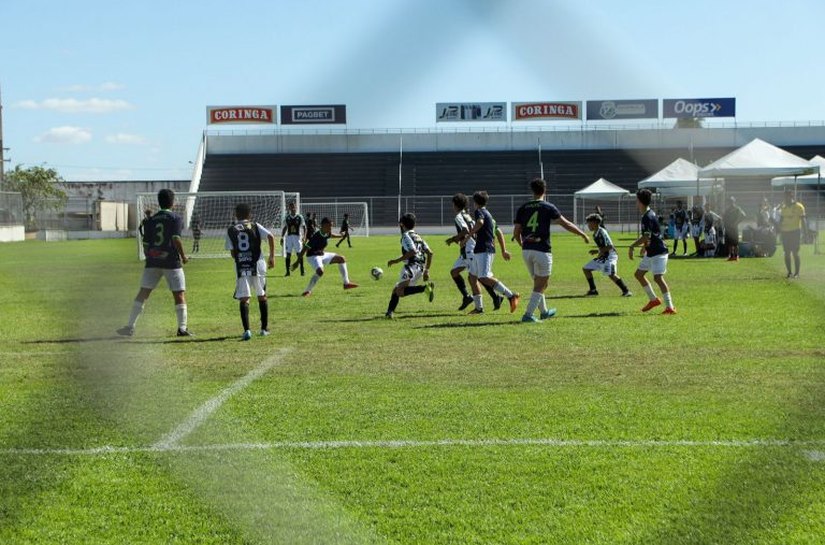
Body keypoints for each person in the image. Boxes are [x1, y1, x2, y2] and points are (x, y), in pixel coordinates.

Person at [513, 178, 590, 322]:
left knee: (539, 282)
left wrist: (523, 245)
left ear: (532, 191)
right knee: (541, 284)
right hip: (542, 250)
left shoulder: (523, 208)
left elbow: (516, 233)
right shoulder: (548, 207)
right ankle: (528, 315)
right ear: (544, 190)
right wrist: (582, 233)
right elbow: (565, 223)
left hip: (526, 250)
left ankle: (544, 312)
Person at [117, 189, 192, 337]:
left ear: (158, 202)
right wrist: (183, 256)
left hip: (153, 261)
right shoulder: (175, 218)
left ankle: (130, 326)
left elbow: (145, 244)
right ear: (173, 202)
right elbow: (176, 238)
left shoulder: (151, 220)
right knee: (179, 294)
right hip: (171, 262)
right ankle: (182, 328)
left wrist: (151, 256)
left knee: (143, 293)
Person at [226, 203, 276, 340]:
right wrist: (272, 256)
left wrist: (241, 257)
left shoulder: (231, 230)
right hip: (258, 263)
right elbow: (271, 236)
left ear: (236, 215)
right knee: (262, 295)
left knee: (244, 298)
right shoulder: (255, 225)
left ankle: (247, 330)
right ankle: (264, 329)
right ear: (250, 215)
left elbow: (232, 252)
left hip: (242, 265)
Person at [444, 193, 503, 311]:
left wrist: (454, 239)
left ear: (455, 205)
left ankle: (489, 301)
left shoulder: (459, 216)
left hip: (469, 250)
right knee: (455, 272)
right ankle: (467, 297)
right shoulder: (468, 215)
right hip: (466, 251)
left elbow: (466, 230)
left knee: (477, 277)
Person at [467, 191, 519, 314]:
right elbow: (499, 232)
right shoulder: (489, 215)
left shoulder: (479, 212)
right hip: (481, 249)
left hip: (484, 249)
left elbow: (480, 223)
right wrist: (503, 250)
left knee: (484, 277)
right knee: (472, 277)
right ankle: (479, 308)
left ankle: (511, 295)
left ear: (475, 203)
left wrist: (468, 235)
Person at [628, 189, 676, 315]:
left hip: (658, 252)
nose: (636, 202)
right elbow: (649, 236)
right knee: (639, 274)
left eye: (636, 200)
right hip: (651, 252)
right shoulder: (648, 214)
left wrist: (632, 246)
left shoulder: (647, 217)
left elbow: (646, 236)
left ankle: (670, 307)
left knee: (658, 278)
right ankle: (653, 300)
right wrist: (645, 246)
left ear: (640, 201)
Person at [384, 213, 434, 318]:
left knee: (399, 291)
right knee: (397, 289)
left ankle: (424, 288)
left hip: (411, 267)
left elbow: (412, 251)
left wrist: (396, 260)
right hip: (419, 268)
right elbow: (430, 253)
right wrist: (426, 270)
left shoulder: (406, 236)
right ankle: (389, 313)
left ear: (402, 224)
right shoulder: (418, 236)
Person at [293, 216, 358, 296]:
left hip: (322, 254)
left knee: (341, 259)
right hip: (313, 256)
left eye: (331, 226)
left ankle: (346, 283)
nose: (331, 228)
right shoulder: (316, 236)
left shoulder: (327, 233)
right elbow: (305, 249)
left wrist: (340, 236)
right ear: (323, 226)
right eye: (329, 226)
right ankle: (307, 291)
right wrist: (297, 262)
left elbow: (330, 235)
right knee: (320, 271)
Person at [581, 213, 631, 297]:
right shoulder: (595, 233)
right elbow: (603, 247)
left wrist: (598, 251)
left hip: (610, 256)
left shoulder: (601, 232)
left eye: (589, 223)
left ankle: (626, 291)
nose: (588, 225)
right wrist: (597, 251)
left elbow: (610, 246)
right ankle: (593, 290)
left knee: (611, 274)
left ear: (595, 223)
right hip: (604, 256)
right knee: (586, 269)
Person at [779, 188, 807, 278]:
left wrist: (805, 232)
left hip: (795, 232)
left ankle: (797, 273)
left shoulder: (799, 207)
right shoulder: (783, 207)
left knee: (795, 252)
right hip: (785, 232)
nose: (785, 199)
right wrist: (778, 229)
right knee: (786, 253)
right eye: (784, 197)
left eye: (787, 196)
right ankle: (789, 272)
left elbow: (803, 220)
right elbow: (781, 220)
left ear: (791, 196)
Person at [281, 201, 305, 276]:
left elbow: (304, 227)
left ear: (296, 208)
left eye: (293, 207)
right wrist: (282, 237)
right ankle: (287, 272)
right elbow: (285, 227)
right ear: (289, 208)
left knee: (299, 254)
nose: (292, 208)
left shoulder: (300, 217)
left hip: (297, 237)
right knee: (288, 254)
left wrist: (304, 236)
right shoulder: (287, 217)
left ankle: (302, 270)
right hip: (289, 238)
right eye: (291, 207)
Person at [722, 195, 746, 261]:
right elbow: (724, 218)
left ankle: (736, 256)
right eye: (729, 201)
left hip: (734, 228)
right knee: (729, 243)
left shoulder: (737, 209)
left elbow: (744, 215)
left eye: (731, 201)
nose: (730, 203)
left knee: (735, 243)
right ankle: (731, 256)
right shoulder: (727, 210)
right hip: (728, 228)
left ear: (734, 202)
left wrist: (736, 223)